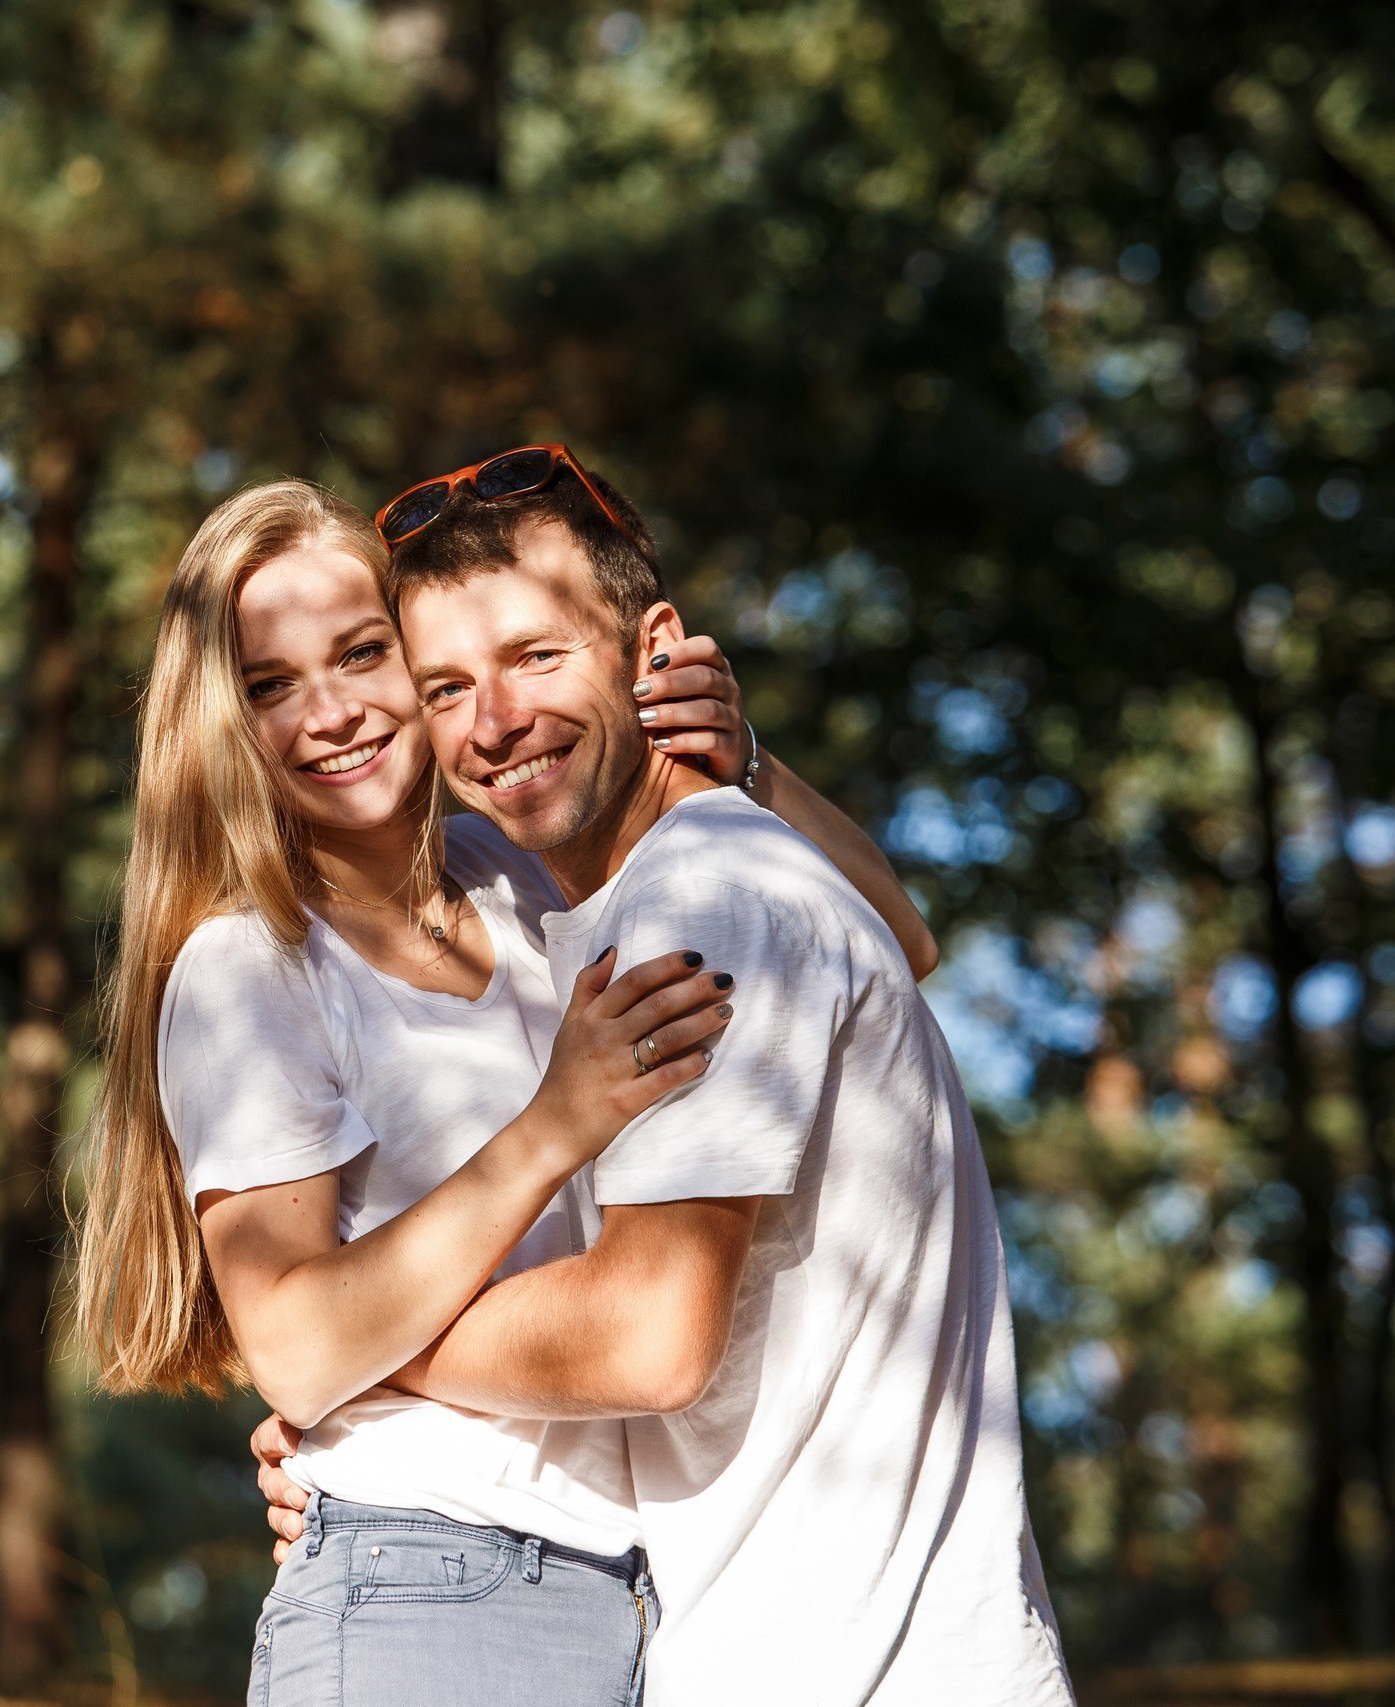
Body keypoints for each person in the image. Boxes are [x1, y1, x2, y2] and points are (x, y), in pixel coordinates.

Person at [75, 477, 943, 1705]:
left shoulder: (523, 869)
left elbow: (890, 942)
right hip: (425, 1577)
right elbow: (290, 1340)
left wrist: (737, 759)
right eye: (269, 686)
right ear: (221, 726)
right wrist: (548, 1129)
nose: (330, 714)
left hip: (633, 1583)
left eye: (363, 655)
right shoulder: (246, 968)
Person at [247, 447, 1076, 1705]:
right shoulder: (625, 892)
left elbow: (643, 1335)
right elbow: (906, 940)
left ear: (655, 648)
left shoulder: (707, 891)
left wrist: (348, 1357)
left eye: (535, 657)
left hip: (846, 1668)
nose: (496, 723)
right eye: (447, 686)